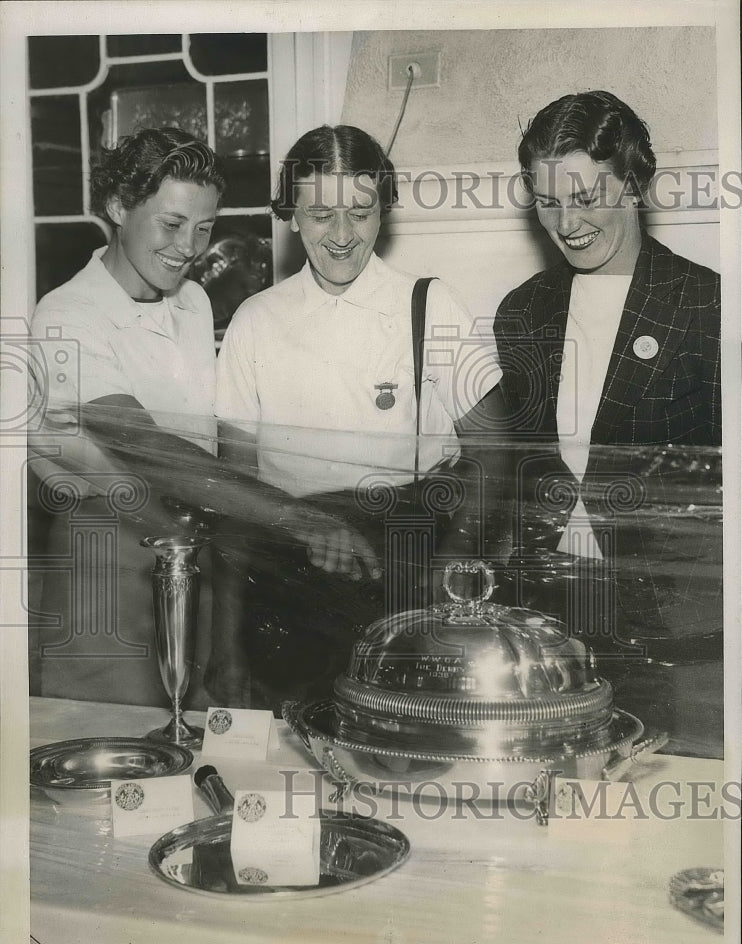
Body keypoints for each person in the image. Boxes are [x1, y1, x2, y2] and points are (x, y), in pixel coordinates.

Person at [29, 126, 378, 705]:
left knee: (201, 750)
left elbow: (209, 452)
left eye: (205, 227)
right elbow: (152, 450)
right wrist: (297, 518)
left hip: (191, 549)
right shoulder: (66, 315)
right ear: (118, 207)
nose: (189, 247)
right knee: (112, 750)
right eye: (171, 224)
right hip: (107, 561)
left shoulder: (191, 303)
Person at [209, 124, 512, 711]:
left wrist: (446, 577)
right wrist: (224, 646)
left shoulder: (431, 304)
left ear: (384, 211)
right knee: (295, 760)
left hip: (407, 578)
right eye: (320, 214)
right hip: (287, 585)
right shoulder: (256, 320)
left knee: (404, 757)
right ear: (291, 214)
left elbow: (495, 451)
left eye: (361, 211)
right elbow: (234, 499)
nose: (342, 235)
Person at [493, 91, 722, 743]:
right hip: (548, 622)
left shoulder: (704, 306)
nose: (567, 222)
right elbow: (520, 472)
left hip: (672, 632)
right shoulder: (522, 312)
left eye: (586, 197)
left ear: (634, 183)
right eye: (547, 201)